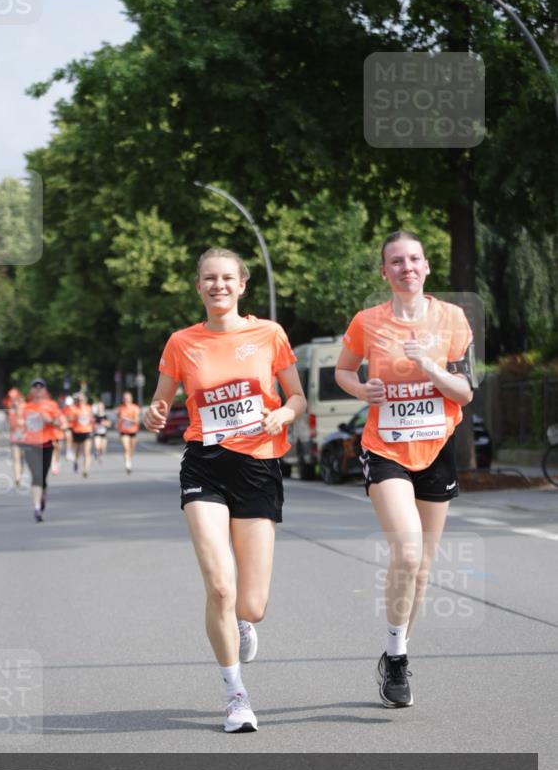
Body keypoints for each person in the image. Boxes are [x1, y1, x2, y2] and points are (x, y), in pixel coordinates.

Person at [144, 248, 306, 733]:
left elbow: (296, 394)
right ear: (199, 287)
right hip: (205, 465)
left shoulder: (269, 334)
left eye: (227, 278)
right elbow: (161, 401)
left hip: (258, 466)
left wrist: (284, 413)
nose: (218, 285)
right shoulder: (181, 342)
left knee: (251, 603)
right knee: (219, 585)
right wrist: (153, 413)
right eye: (209, 279)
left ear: (242, 285)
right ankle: (236, 694)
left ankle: (242, 622)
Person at [335, 230, 476, 709]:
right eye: (396, 261)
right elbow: (343, 371)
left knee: (423, 570)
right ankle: (396, 662)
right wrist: (360, 391)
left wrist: (431, 369)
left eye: (414, 259)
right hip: (387, 447)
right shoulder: (367, 323)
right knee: (409, 553)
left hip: (437, 449)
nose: (406, 267)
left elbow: (465, 392)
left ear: (427, 267)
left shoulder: (452, 318)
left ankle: (397, 651)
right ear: (385, 272)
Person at [20, 378, 62, 521]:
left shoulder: (52, 405)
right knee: (36, 477)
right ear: (31, 390)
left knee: (42, 477)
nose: (38, 389)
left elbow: (60, 423)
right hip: (31, 446)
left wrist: (49, 420)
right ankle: (37, 508)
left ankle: (42, 496)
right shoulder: (25, 408)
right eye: (35, 387)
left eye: (41, 387)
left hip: (46, 444)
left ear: (45, 390)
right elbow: (19, 428)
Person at [2, 387, 25, 486]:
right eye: (13, 400)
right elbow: (9, 425)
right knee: (16, 459)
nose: (14, 402)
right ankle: (17, 478)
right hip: (15, 438)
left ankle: (20, 473)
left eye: (16, 400)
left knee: (22, 459)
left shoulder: (26, 410)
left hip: (25, 439)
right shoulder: (10, 412)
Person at [69, 392, 94, 477]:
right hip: (76, 431)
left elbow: (92, 418)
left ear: (85, 400)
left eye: (82, 400)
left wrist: (92, 420)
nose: (81, 401)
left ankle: (85, 470)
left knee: (87, 452)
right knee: (77, 452)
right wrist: (75, 417)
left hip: (87, 431)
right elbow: (69, 419)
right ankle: (76, 461)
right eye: (79, 400)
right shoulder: (74, 409)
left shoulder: (89, 408)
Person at [116, 391, 140, 473]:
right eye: (125, 398)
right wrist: (118, 423)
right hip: (123, 431)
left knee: (132, 449)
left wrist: (127, 419)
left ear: (131, 399)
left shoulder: (135, 408)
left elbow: (137, 420)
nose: (126, 399)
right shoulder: (120, 408)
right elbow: (118, 419)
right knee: (126, 448)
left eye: (128, 398)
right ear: (123, 399)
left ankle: (129, 459)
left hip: (133, 430)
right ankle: (128, 465)